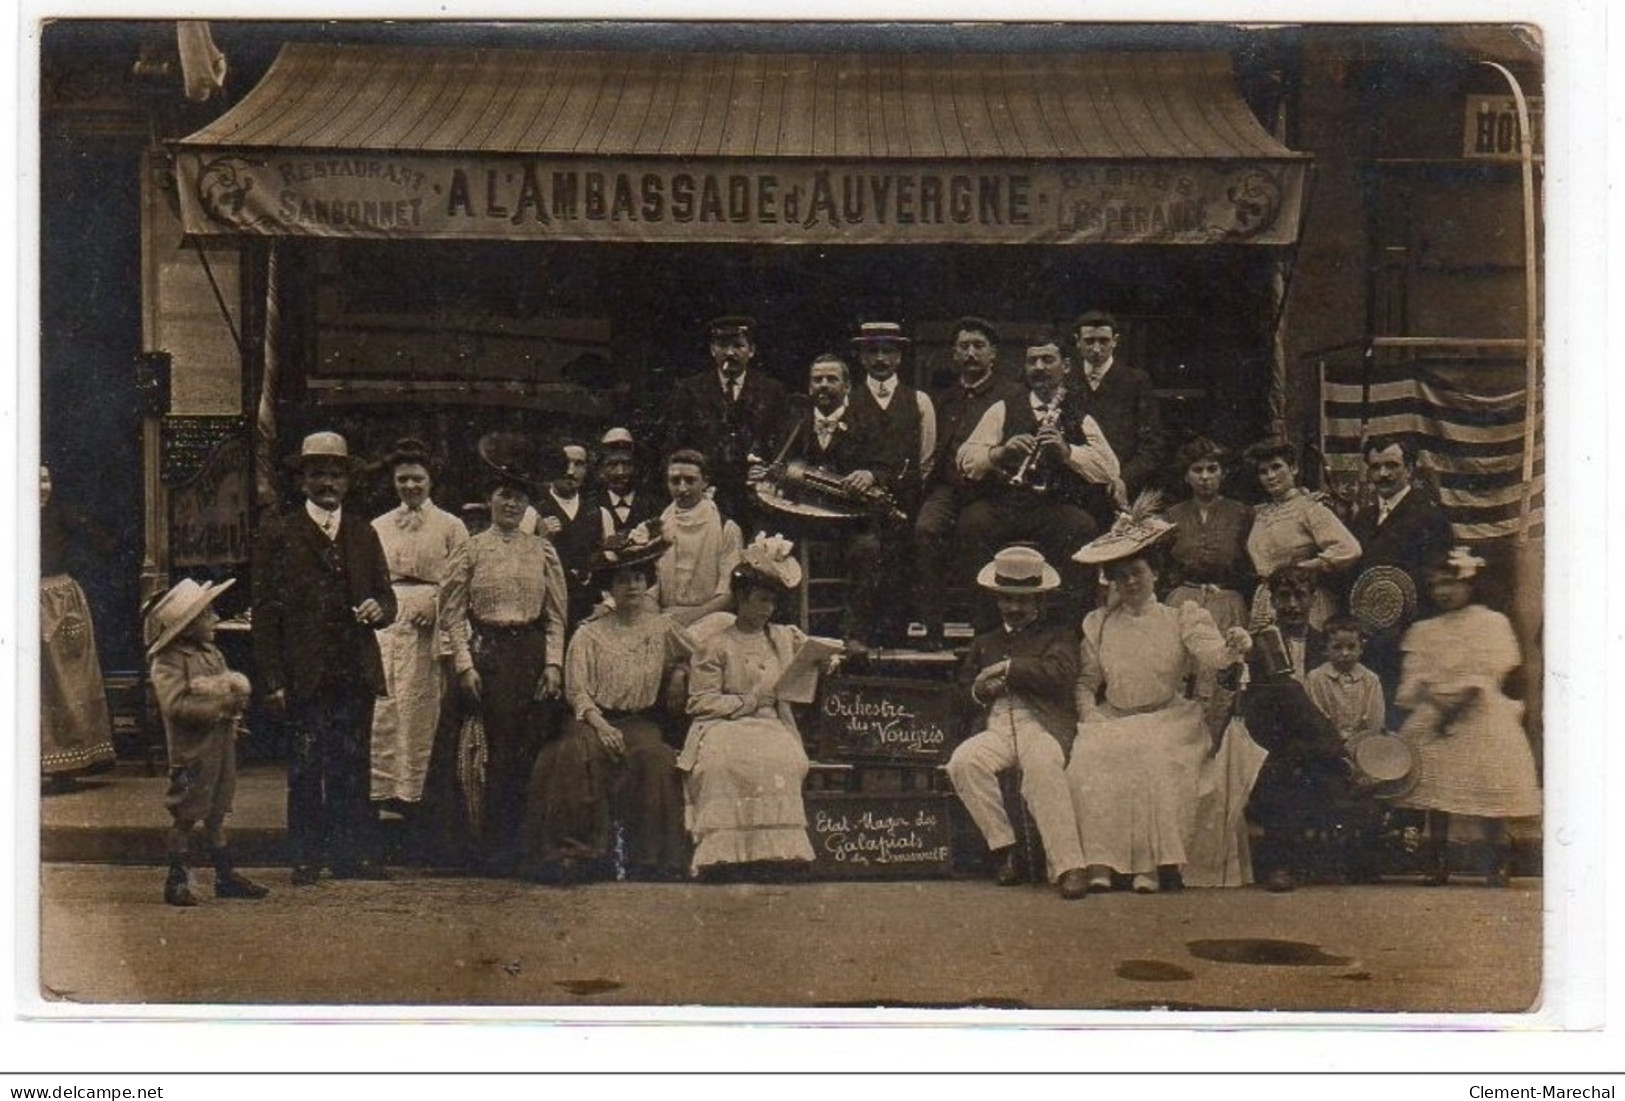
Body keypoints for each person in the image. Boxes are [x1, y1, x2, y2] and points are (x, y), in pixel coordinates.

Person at [1068, 499, 1262, 892]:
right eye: (1121, 577)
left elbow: (1214, 654)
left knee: (1150, 758)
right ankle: (1101, 862)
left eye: (1138, 573)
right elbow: (1087, 681)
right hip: (1115, 715)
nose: (1131, 583)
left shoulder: (1180, 617)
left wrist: (1234, 644)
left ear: (1155, 573)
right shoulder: (1100, 624)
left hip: (1169, 719)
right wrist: (1089, 714)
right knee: (1088, 759)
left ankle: (1149, 866)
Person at [252, 431, 397, 885]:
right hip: (304, 673)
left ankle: (351, 855)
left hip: (354, 669)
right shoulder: (279, 532)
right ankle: (305, 857)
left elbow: (387, 598)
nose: (327, 483)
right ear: (302, 481)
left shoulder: (362, 531)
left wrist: (379, 609)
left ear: (347, 482)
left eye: (335, 474)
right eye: (318, 474)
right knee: (306, 765)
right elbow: (265, 613)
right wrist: (273, 679)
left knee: (352, 766)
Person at [520, 523, 691, 883]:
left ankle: (652, 859)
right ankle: (575, 854)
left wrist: (679, 672)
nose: (632, 587)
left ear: (648, 584)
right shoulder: (589, 633)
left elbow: (703, 658)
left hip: (640, 719)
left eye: (639, 579)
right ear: (610, 588)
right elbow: (577, 690)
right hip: (591, 719)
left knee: (656, 757)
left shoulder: (662, 628)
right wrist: (601, 725)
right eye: (623, 580)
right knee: (576, 754)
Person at [441, 432, 569, 874]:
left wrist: (553, 663)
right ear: (490, 500)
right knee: (486, 755)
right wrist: (464, 664)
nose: (511, 506)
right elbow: (452, 614)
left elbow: (555, 617)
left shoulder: (543, 551)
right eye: (503, 496)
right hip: (487, 655)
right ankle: (485, 848)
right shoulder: (471, 550)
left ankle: (523, 848)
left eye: (518, 499)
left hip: (530, 655)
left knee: (527, 752)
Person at [944, 546, 1090, 900]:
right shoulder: (985, 642)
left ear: (1040, 600)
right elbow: (961, 696)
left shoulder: (1059, 635)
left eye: (1024, 601)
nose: (1015, 608)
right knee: (963, 762)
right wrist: (980, 690)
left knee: (1042, 766)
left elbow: (1060, 674)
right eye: (1008, 599)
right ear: (997, 599)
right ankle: (1004, 850)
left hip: (1042, 725)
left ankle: (1069, 865)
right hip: (996, 726)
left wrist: (1009, 669)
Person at [1393, 547, 1540, 887]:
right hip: (1434, 710)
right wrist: (1436, 702)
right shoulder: (1424, 630)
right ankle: (1437, 861)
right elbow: (1416, 676)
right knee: (1436, 789)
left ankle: (1495, 860)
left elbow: (1490, 671)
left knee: (1488, 784)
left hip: (1479, 708)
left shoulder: (1491, 623)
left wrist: (1460, 703)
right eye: (1435, 585)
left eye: (1450, 583)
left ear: (1469, 584)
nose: (1443, 591)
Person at [956, 327, 1120, 626]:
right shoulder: (1003, 407)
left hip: (1052, 506)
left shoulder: (1078, 413)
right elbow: (966, 459)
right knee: (971, 523)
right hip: (1005, 503)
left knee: (1082, 528)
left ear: (1066, 366)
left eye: (1048, 360)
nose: (1040, 368)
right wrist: (1000, 453)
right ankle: (985, 629)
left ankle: (1068, 628)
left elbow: (1109, 469)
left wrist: (1067, 451)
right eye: (1033, 361)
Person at [678, 535, 818, 878]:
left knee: (780, 758)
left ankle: (778, 854)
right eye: (761, 600)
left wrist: (823, 662)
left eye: (772, 602)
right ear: (741, 599)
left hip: (771, 721)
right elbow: (701, 701)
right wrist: (748, 701)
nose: (768, 609)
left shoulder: (783, 638)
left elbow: (808, 661)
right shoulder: (715, 644)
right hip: (723, 723)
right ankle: (725, 856)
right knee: (722, 761)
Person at [759, 352, 896, 650]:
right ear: (809, 388)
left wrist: (870, 475)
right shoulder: (795, 422)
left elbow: (887, 466)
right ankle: (787, 630)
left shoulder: (869, 420)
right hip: (801, 517)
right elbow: (778, 464)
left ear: (847, 386)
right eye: (817, 380)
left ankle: (854, 633)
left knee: (867, 549)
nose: (823, 385)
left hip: (850, 520)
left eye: (831, 379)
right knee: (771, 546)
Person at [146, 577, 268, 907]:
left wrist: (234, 706)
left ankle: (224, 875)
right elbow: (175, 706)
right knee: (186, 813)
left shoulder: (211, 653)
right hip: (192, 751)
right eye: (206, 614)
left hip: (220, 745)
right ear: (187, 626)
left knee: (217, 811)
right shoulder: (169, 662)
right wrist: (220, 707)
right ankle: (176, 879)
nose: (214, 618)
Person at [1236, 620, 1378, 892]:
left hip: (1285, 758)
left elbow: (1308, 727)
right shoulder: (1254, 688)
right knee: (1287, 770)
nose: (1273, 660)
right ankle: (1282, 864)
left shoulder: (1286, 686)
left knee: (1294, 765)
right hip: (1248, 759)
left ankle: (1288, 864)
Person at [369, 438, 470, 816]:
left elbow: (462, 578)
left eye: (417, 479)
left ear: (431, 481)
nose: (410, 486)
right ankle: (383, 793)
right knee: (386, 709)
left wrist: (436, 601)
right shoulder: (378, 525)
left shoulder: (451, 525)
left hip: (429, 629)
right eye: (402, 480)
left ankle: (418, 797)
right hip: (388, 625)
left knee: (420, 711)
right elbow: (370, 577)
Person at [913, 317, 1025, 646]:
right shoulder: (944, 397)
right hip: (949, 488)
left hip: (992, 490)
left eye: (979, 346)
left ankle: (982, 633)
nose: (971, 353)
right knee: (926, 529)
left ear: (994, 354)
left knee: (972, 530)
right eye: (964, 346)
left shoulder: (1012, 395)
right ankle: (933, 630)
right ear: (954, 354)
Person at [1344, 434, 1454, 720]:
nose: (1383, 474)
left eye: (1391, 465)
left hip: (1410, 636)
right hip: (1368, 638)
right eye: (1375, 467)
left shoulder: (1430, 516)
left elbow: (1437, 579)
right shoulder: (1362, 519)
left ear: (1409, 469)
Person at [666, 315, 789, 527]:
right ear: (713, 349)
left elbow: (782, 443)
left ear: (751, 350)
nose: (730, 353)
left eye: (738, 345)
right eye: (723, 345)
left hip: (757, 497)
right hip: (706, 496)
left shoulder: (772, 391)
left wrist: (769, 473)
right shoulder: (690, 390)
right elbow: (675, 445)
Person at [39, 464, 116, 789]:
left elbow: (103, 542)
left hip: (57, 601)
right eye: (33, 479)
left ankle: (67, 764)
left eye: (45, 479)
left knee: (64, 680)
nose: (41, 486)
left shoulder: (62, 513)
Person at [1243, 437, 1361, 631]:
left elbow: (1349, 549)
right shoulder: (1260, 514)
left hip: (1301, 598)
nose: (1270, 476)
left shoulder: (1310, 508)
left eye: (1276, 467)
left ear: (1293, 469)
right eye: (1263, 472)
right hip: (1268, 601)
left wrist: (1304, 568)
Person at [1068, 310, 1166, 497]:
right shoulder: (1067, 381)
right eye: (1089, 341)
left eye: (1103, 341)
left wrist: (1125, 479)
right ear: (1077, 341)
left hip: (1124, 487)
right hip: (1076, 488)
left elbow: (1153, 444)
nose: (1096, 349)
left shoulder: (1136, 381)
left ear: (1115, 341)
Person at [1163, 437, 1254, 633]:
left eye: (1212, 469)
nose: (1205, 476)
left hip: (1228, 601)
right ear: (1186, 476)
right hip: (1183, 601)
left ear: (1223, 473)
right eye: (1197, 470)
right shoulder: (1172, 515)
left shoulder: (1242, 513)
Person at [653, 449, 743, 627]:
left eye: (690, 480)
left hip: (711, 617)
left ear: (705, 482)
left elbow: (728, 594)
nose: (682, 488)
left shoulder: (727, 528)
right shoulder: (658, 527)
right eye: (675, 481)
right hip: (665, 616)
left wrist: (686, 619)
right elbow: (650, 587)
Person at [533, 440, 603, 630]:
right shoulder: (534, 510)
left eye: (578, 464)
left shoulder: (597, 511)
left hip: (588, 612)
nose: (570, 471)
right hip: (547, 611)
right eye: (565, 463)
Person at [1304, 615, 1387, 745]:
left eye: (1351, 647)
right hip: (1327, 746)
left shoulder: (1370, 679)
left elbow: (1374, 717)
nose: (1345, 653)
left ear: (1361, 648)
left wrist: (1359, 742)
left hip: (1363, 745)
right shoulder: (1315, 678)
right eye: (1337, 647)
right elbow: (1317, 717)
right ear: (1326, 649)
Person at [596, 427, 662, 539]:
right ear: (601, 470)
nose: (620, 472)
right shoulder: (590, 506)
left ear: (637, 467)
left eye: (627, 464)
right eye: (612, 465)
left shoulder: (655, 505)